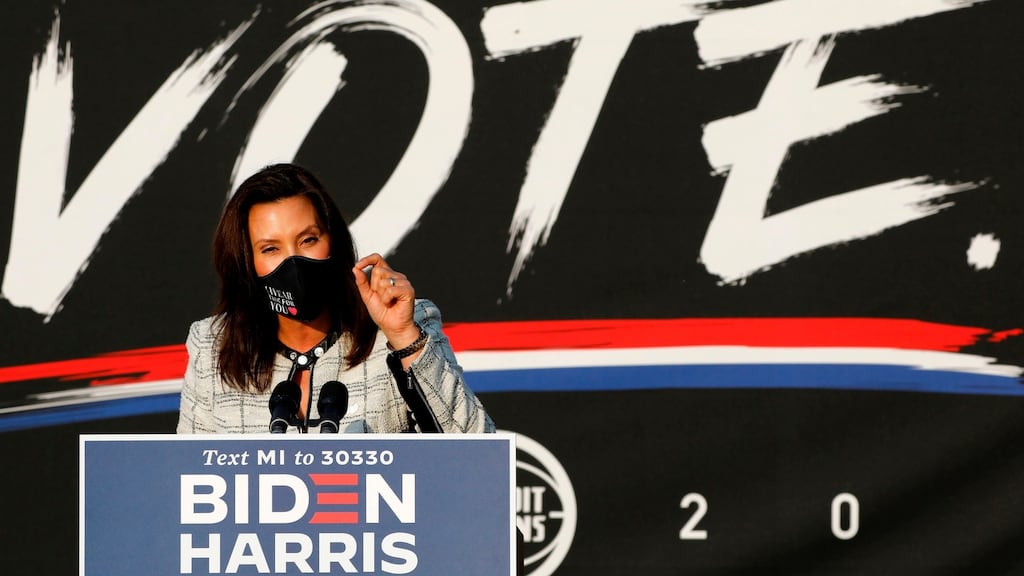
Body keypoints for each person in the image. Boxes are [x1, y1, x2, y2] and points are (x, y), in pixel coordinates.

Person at [177, 163, 494, 434]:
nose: (294, 262)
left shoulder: (400, 328)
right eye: (271, 249)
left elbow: (476, 455)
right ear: (246, 264)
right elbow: (185, 481)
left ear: (334, 242)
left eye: (308, 239)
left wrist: (403, 337)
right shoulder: (212, 347)